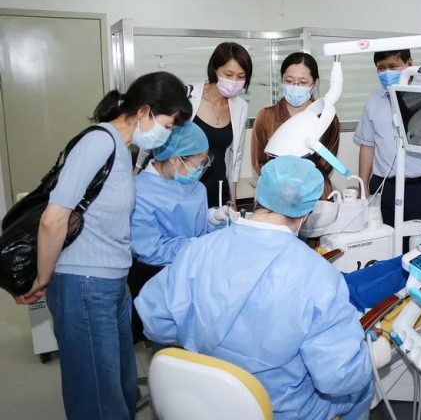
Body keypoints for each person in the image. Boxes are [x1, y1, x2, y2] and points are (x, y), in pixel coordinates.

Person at [135, 156, 373, 420]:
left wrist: (207, 343)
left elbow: (154, 320)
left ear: (258, 196)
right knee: (361, 389)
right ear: (307, 214)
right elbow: (340, 377)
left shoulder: (199, 249)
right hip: (277, 409)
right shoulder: (318, 276)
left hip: (202, 400)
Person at [15, 72, 192, 420]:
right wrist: (42, 278)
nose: (167, 135)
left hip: (110, 283)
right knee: (96, 395)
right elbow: (54, 219)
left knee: (120, 386)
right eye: (168, 125)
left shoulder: (122, 150)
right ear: (145, 111)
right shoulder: (98, 143)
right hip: (84, 283)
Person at [128, 122, 230, 344]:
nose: (202, 168)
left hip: (194, 275)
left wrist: (213, 219)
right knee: (168, 345)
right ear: (175, 159)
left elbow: (196, 227)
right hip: (158, 279)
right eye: (199, 163)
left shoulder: (194, 186)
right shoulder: (139, 192)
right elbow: (149, 249)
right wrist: (196, 246)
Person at [136, 41, 251, 208]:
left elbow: (236, 155)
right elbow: (154, 135)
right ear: (214, 70)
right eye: (228, 74)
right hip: (180, 184)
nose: (234, 81)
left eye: (241, 77)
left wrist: (233, 198)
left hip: (216, 187)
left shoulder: (240, 106)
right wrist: (137, 168)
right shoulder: (187, 96)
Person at [355, 49, 421, 243]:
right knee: (384, 243)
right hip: (384, 187)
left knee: (420, 245)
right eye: (381, 68)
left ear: (409, 64)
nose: (387, 73)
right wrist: (363, 186)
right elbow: (367, 146)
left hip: (420, 188)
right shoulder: (373, 102)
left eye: (393, 67)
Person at [251, 52, 340, 199]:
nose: (295, 87)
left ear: (315, 83)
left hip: (315, 194)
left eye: (303, 82)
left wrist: (300, 182)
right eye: (289, 81)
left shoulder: (326, 118)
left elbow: (326, 163)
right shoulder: (266, 117)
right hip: (276, 195)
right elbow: (259, 162)